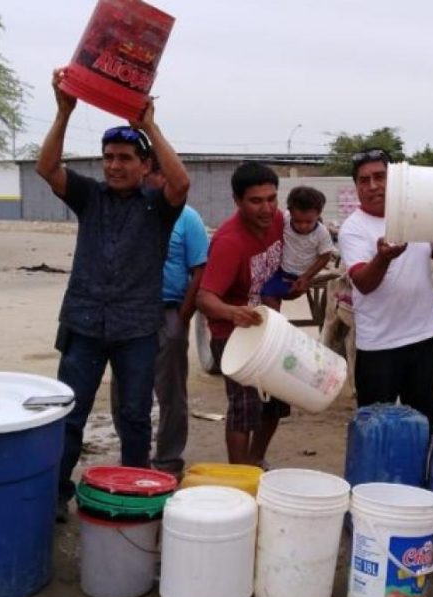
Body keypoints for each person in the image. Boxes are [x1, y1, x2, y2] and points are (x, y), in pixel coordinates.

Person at [36, 67, 190, 520]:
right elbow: (46, 167)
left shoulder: (157, 205)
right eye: (109, 157)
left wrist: (149, 126)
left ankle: (135, 494)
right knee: (68, 416)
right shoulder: (90, 196)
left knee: (136, 418)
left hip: (137, 330)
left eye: (125, 157)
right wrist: (64, 112)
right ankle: (56, 496)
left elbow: (181, 183)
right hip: (84, 325)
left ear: (145, 167)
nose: (115, 165)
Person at [337, 148, 433, 428]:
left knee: (424, 424)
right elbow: (364, 284)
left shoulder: (414, 213)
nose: (373, 186)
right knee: (374, 429)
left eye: (380, 177)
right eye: (364, 180)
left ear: (393, 179)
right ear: (356, 186)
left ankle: (420, 473)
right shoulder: (353, 229)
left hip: (423, 337)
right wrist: (382, 257)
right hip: (379, 345)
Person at [109, 151, 209, 477]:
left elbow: (199, 270)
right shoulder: (127, 210)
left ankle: (167, 463)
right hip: (127, 314)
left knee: (170, 395)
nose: (161, 181)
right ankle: (133, 457)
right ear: (145, 173)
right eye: (156, 174)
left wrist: (182, 319)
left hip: (168, 312)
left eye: (167, 175)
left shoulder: (188, 218)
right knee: (123, 390)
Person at [196, 162, 289, 465]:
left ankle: (255, 462)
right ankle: (239, 476)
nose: (266, 208)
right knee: (245, 408)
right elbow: (204, 297)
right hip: (232, 335)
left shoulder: (279, 221)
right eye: (256, 201)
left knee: (277, 401)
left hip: (270, 330)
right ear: (237, 201)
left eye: (271, 198)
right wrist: (232, 312)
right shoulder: (228, 242)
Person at [261, 185, 334, 308]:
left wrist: (306, 277)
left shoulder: (321, 233)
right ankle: (276, 323)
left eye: (309, 222)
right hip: (279, 271)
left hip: (299, 277)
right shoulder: (285, 220)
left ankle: (276, 323)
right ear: (290, 212)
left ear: (318, 213)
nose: (303, 226)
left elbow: (325, 256)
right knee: (265, 294)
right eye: (298, 221)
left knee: (277, 294)